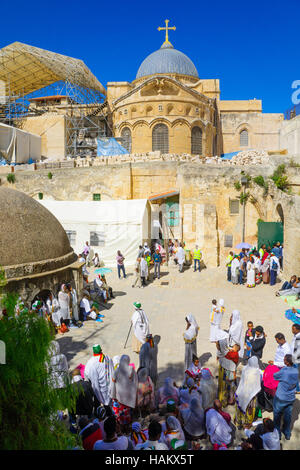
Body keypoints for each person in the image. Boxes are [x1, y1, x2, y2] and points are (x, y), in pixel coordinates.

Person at [273, 354, 299, 440]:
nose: (283, 361)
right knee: (288, 416)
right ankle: (287, 433)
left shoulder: (284, 371)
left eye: (284, 360)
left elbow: (275, 376)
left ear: (287, 362)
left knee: (277, 416)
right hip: (291, 398)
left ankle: (278, 434)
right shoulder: (296, 371)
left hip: (281, 397)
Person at [234, 356, 261, 429]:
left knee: (240, 407)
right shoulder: (256, 372)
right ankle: (246, 424)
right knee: (249, 409)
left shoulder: (245, 368)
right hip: (251, 396)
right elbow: (257, 386)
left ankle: (239, 423)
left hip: (241, 391)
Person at [111, 355, 137, 429]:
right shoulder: (131, 370)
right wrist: (134, 395)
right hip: (129, 398)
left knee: (120, 414)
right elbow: (135, 382)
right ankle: (128, 427)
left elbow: (113, 385)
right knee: (128, 413)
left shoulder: (116, 371)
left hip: (118, 398)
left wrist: (113, 395)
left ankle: (121, 427)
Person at [216, 336, 240, 407]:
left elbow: (226, 354)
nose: (232, 348)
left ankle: (225, 400)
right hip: (230, 373)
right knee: (230, 387)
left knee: (227, 387)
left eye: (234, 348)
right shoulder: (228, 352)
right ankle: (230, 399)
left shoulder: (230, 354)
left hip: (229, 374)